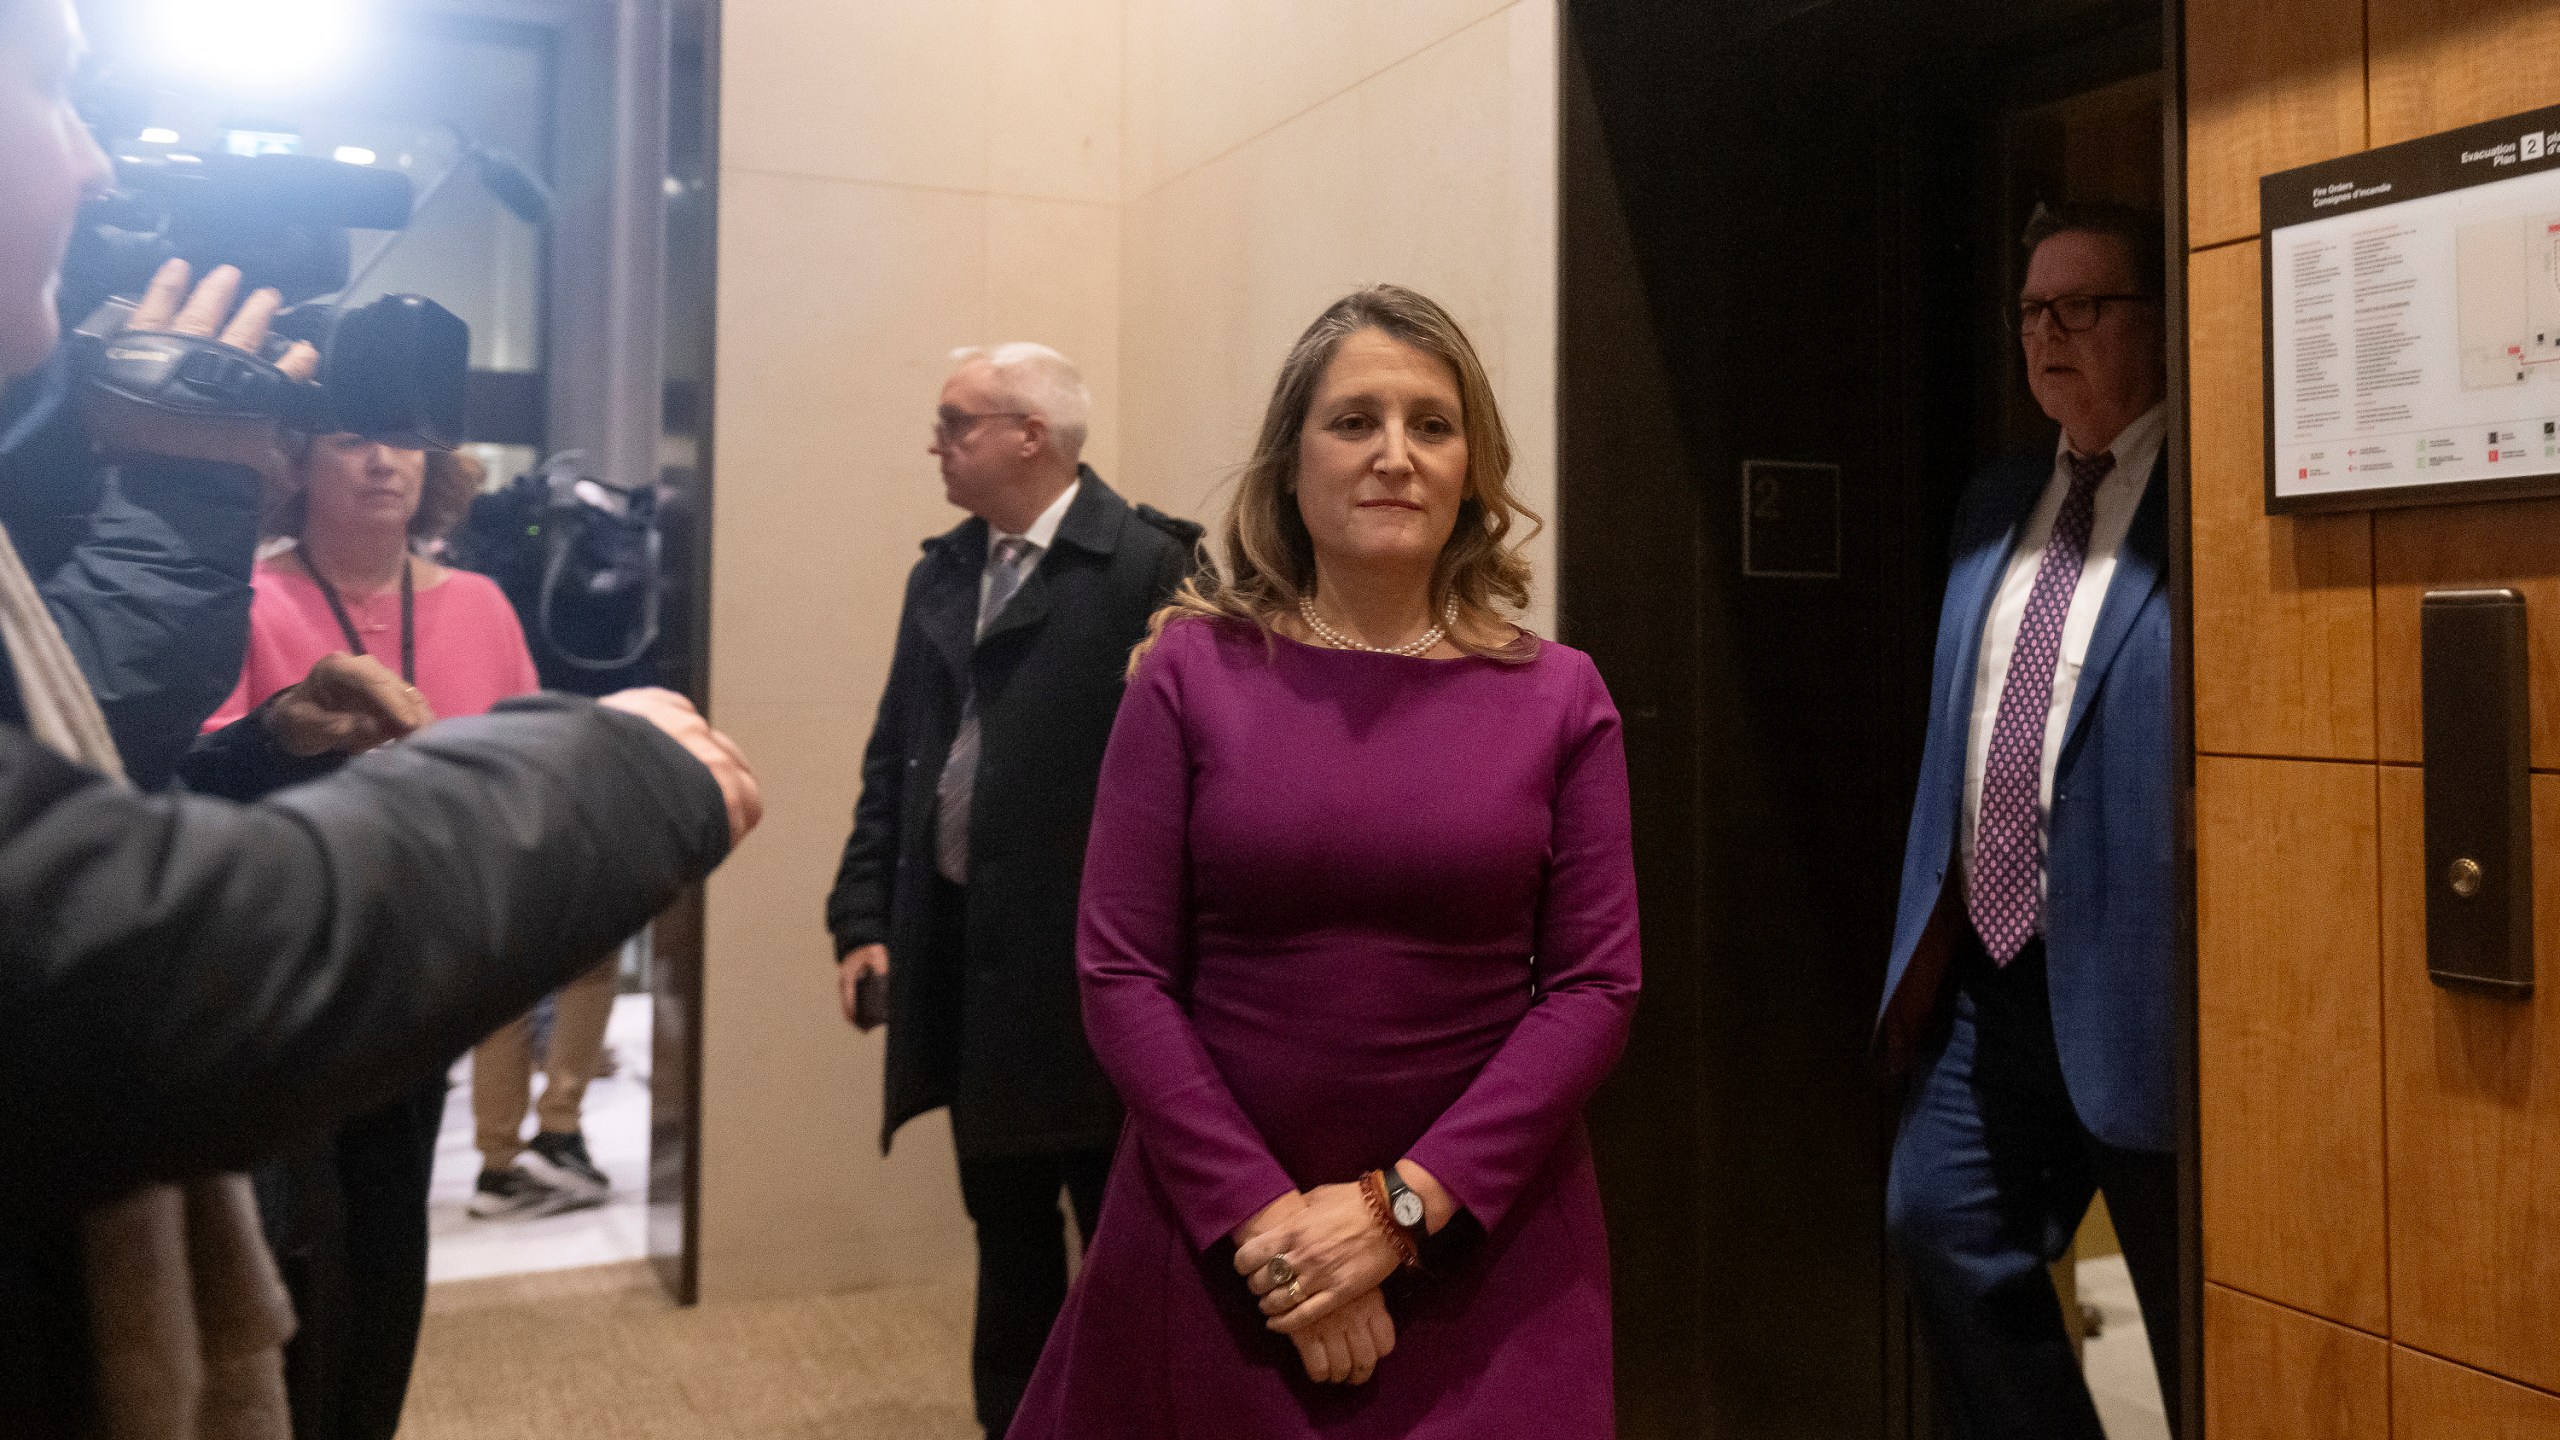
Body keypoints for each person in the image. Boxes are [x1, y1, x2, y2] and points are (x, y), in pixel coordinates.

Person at [0, 2, 762, 1433]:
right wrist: (606, 776)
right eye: (57, 98)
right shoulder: (232, 558)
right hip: (297, 1002)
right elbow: (115, 952)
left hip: (381, 987)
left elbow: (88, 787)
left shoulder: (461, 594)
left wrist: (258, 740)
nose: (99, 172)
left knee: (368, 1296)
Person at [1006, 285, 1641, 1440]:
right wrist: (1272, 1234)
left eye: (1431, 425)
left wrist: (1396, 1214)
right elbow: (1119, 973)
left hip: (1484, 1243)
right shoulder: (1190, 671)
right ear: (1289, 463)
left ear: (1472, 468)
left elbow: (1597, 989)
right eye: (1354, 421)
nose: (1394, 455)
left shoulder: (1561, 696)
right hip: (1219, 1236)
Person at [825, 341, 1201, 1437]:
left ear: (1030, 435)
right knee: (1006, 1234)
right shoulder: (941, 570)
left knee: (1130, 1247)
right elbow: (898, 758)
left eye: (956, 422)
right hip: (961, 961)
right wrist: (859, 921)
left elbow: (1206, 788)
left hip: (1097, 985)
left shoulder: (1149, 569)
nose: (935, 444)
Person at [196, 431, 591, 1439]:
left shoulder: (483, 604)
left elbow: (524, 781)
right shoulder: (244, 595)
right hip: (281, 987)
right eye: (353, 442)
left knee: (385, 1247)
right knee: (292, 1256)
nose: (384, 464)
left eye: (406, 444)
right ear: (298, 464)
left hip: (422, 977)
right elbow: (200, 793)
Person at [1875, 202, 2178, 1438]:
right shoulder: (1995, 500)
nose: (2048, 334)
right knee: (1935, 1223)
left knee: (2165, 1310)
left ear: (2154, 320)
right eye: (2031, 311)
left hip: (2141, 988)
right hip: (1987, 983)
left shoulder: (2204, 508)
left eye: (2083, 306)